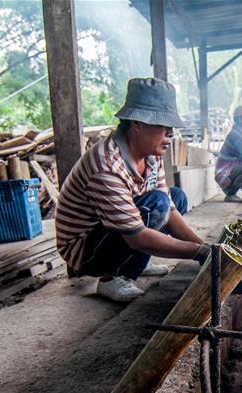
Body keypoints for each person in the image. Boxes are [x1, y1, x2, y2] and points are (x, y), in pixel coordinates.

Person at [55, 78, 210, 303]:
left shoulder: (150, 156)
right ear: (138, 123)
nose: (170, 134)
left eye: (171, 128)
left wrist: (204, 249)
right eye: (163, 126)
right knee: (157, 205)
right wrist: (198, 253)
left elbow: (171, 210)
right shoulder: (106, 165)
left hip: (112, 229)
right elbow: (137, 237)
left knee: (175, 198)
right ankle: (111, 278)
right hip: (84, 248)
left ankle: (139, 262)